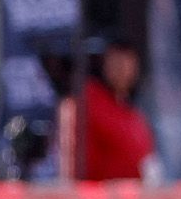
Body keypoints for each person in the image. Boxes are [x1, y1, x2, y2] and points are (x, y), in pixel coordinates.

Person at [61, 39, 157, 181]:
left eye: (127, 63)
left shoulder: (132, 111)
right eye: (116, 62)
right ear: (105, 64)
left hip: (132, 195)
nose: (122, 69)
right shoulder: (90, 98)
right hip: (95, 194)